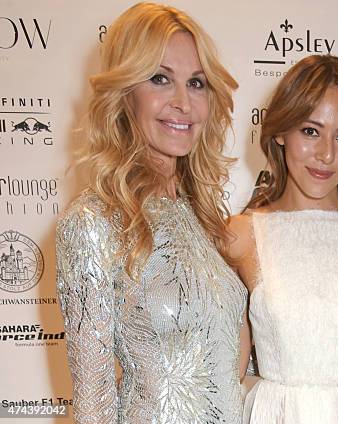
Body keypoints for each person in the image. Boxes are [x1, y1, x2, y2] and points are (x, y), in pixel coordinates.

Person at [55, 3, 248, 423]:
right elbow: (94, 404)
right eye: (160, 79)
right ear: (125, 92)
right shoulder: (93, 222)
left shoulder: (205, 217)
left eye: (196, 83)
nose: (183, 102)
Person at [228, 55, 338, 423]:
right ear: (280, 131)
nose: (326, 154)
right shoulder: (241, 235)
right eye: (310, 131)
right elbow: (228, 371)